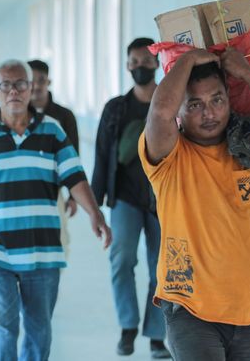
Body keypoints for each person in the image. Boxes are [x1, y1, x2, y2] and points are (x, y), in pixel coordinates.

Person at [140, 47, 250, 360]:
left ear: (229, 99)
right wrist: (186, 60)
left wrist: (244, 72)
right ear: (181, 111)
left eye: (217, 99)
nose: (209, 112)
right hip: (191, 308)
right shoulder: (171, 158)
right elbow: (159, 114)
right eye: (196, 104)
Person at [0, 59, 112, 361]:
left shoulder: (52, 130)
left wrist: (95, 214)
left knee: (38, 327)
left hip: (42, 249)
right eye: (5, 84)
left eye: (20, 84)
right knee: (2, 326)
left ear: (31, 89)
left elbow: (74, 176)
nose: (13, 91)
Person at [91, 38, 170, 358]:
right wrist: (94, 205)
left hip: (164, 198)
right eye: (134, 62)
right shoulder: (116, 108)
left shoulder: (172, 103)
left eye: (146, 61)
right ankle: (127, 327)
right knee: (121, 260)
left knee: (161, 268)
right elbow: (101, 155)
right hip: (125, 197)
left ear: (158, 63)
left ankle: (156, 334)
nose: (140, 67)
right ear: (127, 66)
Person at [27, 59, 79, 255]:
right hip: (22, 186)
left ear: (49, 82)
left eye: (41, 80)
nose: (37, 85)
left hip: (52, 188)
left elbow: (74, 157)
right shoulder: (17, 115)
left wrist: (73, 195)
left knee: (57, 239)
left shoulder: (64, 116)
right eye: (31, 80)